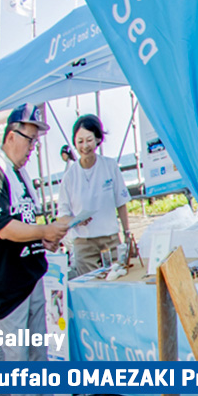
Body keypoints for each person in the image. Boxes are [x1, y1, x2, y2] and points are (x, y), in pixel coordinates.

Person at [0, 104, 72, 396]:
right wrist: (44, 231)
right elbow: (3, 228)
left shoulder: (19, 175)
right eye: (30, 139)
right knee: (18, 358)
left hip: (30, 275)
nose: (33, 147)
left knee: (38, 351)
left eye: (35, 141)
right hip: (9, 285)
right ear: (11, 135)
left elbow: (25, 225)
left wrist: (45, 239)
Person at [63, 115, 134, 279]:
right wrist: (76, 220)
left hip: (110, 240)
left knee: (118, 281)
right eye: (80, 141)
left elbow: (121, 202)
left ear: (97, 139)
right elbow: (63, 214)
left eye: (89, 140)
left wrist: (127, 234)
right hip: (84, 244)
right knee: (90, 287)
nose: (85, 146)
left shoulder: (110, 166)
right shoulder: (69, 176)